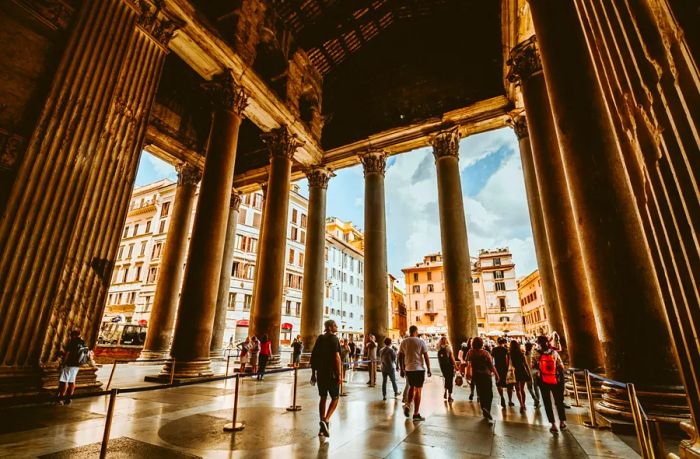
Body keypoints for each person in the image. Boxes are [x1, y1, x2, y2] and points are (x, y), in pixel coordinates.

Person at [310, 320, 342, 438]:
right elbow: (337, 357)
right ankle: (326, 419)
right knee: (335, 397)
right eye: (335, 325)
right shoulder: (334, 338)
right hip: (331, 373)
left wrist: (313, 373)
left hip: (321, 373)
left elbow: (314, 356)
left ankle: (321, 428)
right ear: (330, 327)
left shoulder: (320, 338)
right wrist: (339, 374)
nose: (336, 326)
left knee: (322, 397)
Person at [532, 335, 567, 433]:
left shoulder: (535, 353)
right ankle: (562, 422)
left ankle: (553, 425)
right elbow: (561, 365)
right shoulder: (554, 352)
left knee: (547, 402)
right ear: (547, 342)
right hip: (555, 379)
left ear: (538, 343)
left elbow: (533, 366)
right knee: (559, 401)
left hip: (543, 380)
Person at [398, 325, 432, 421]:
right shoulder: (421, 341)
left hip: (409, 369)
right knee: (418, 390)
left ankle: (408, 405)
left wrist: (401, 369)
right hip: (419, 369)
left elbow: (400, 356)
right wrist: (429, 368)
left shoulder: (404, 342)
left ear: (409, 331)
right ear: (416, 332)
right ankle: (416, 414)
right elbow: (426, 356)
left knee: (411, 387)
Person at [466, 337, 498, 422]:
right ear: (481, 343)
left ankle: (484, 408)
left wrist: (467, 373)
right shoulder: (485, 353)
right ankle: (487, 409)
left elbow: (467, 363)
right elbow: (491, 366)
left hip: (476, 376)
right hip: (486, 375)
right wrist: (497, 375)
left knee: (481, 393)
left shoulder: (470, 352)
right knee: (489, 393)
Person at [56, 329, 88, 405]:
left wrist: (63, 362)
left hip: (69, 364)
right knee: (72, 381)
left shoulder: (72, 342)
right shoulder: (83, 343)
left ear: (73, 335)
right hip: (77, 365)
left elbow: (67, 354)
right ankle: (69, 398)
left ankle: (61, 399)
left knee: (64, 381)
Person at [509, 340, 532, 411]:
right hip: (522, 371)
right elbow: (526, 364)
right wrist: (529, 374)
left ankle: (521, 403)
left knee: (517, 389)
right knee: (522, 389)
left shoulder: (509, 354)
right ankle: (524, 404)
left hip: (515, 372)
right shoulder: (521, 353)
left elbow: (508, 364)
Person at [492, 337, 514, 408]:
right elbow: (507, 360)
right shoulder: (506, 350)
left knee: (499, 384)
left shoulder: (494, 349)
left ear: (497, 342)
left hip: (497, 369)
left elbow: (492, 360)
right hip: (505, 369)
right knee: (509, 386)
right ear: (503, 343)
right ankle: (510, 401)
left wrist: (493, 369)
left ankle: (502, 397)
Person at [437, 336, 457, 402]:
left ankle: (445, 391)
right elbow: (452, 357)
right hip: (449, 366)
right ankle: (450, 396)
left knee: (446, 379)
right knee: (450, 380)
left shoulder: (439, 348)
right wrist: (455, 365)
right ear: (446, 341)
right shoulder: (448, 348)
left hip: (443, 367)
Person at [524, 341, 541, 408]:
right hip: (535, 372)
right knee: (536, 388)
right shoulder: (534, 353)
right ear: (531, 347)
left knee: (529, 388)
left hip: (528, 373)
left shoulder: (524, 354)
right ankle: (537, 402)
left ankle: (535, 399)